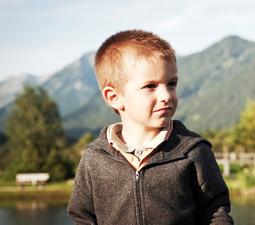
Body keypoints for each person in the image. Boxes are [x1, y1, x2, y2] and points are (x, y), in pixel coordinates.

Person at [67, 30, 234, 224]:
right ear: (115, 98)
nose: (166, 95)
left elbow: (216, 213)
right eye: (150, 86)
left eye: (171, 84)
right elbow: (82, 218)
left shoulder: (194, 151)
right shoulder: (94, 158)